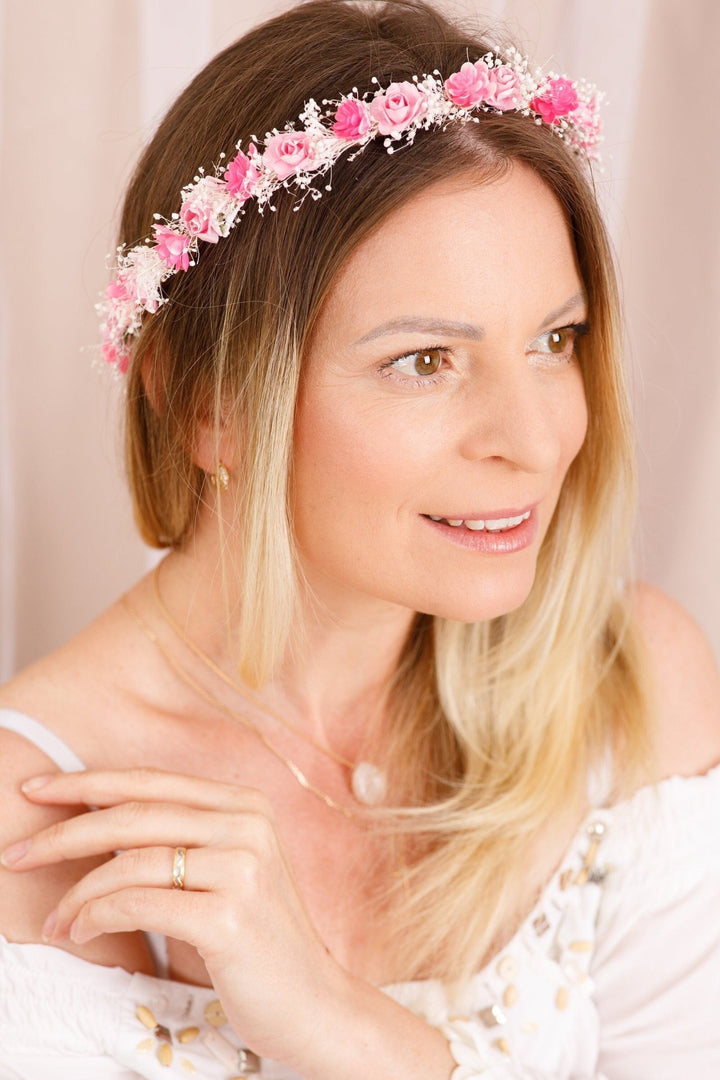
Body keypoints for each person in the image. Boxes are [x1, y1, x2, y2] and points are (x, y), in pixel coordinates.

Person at [0, 0, 718, 1076]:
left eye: (554, 341)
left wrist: (339, 1026)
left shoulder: (632, 688)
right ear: (203, 403)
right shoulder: (34, 838)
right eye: (425, 360)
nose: (535, 440)